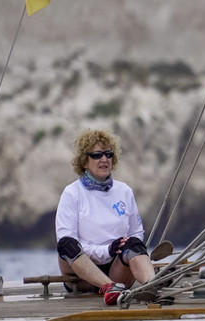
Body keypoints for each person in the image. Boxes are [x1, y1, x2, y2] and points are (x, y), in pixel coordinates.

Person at [55, 129, 155, 305]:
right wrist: (107, 250)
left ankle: (152, 287)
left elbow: (137, 232)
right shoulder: (71, 193)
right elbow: (67, 241)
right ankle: (109, 288)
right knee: (66, 244)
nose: (104, 159)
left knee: (134, 242)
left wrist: (121, 247)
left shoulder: (124, 191)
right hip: (82, 274)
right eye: (96, 155)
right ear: (84, 161)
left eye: (108, 154)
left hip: (118, 268)